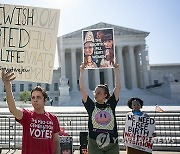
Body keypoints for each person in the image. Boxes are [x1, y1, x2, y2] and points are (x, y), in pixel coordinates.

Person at [1, 70, 60, 154]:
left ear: (45, 100)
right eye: (33, 97)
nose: (35, 100)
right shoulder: (27, 115)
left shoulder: (53, 118)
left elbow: (56, 141)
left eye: (38, 97)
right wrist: (7, 86)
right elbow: (13, 109)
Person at [79, 62, 121, 154]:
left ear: (105, 95)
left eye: (99, 93)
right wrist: (82, 72)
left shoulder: (111, 104)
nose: (95, 94)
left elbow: (118, 88)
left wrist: (116, 70)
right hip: (94, 143)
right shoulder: (91, 106)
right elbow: (82, 89)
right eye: (95, 92)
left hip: (112, 143)